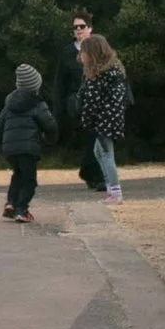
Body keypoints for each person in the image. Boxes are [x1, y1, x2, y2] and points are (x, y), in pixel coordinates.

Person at [0, 63, 57, 222]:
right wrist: (49, 140)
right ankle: (21, 210)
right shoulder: (38, 104)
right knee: (29, 180)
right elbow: (50, 125)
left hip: (10, 149)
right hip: (29, 149)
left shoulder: (8, 105)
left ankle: (11, 203)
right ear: (35, 85)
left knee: (17, 175)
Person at [77, 29, 131, 203]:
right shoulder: (115, 73)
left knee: (106, 154)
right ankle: (111, 190)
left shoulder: (97, 77)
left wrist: (87, 120)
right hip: (112, 120)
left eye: (83, 52)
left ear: (91, 54)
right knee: (99, 152)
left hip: (103, 122)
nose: (81, 56)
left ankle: (115, 191)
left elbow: (91, 104)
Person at [54, 10, 103, 193]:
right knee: (89, 137)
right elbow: (60, 82)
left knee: (96, 137)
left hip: (97, 101)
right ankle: (92, 173)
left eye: (82, 26)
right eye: (75, 27)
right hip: (77, 103)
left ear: (90, 28)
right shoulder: (67, 53)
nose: (78, 30)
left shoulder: (99, 49)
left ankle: (92, 174)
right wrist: (59, 108)